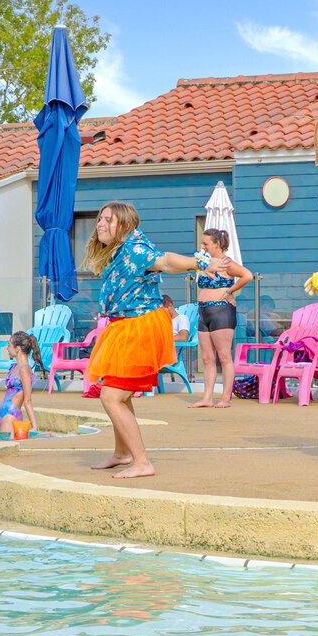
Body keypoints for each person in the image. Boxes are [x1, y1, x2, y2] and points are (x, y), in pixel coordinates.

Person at [83, 202, 229, 478]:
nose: (100, 224)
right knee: (121, 395)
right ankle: (122, 453)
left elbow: (165, 261)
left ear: (124, 224)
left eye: (107, 220)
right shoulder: (123, 250)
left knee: (112, 397)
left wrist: (200, 262)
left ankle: (142, 462)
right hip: (124, 325)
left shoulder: (136, 249)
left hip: (138, 326)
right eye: (99, 219)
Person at [190, 228, 254, 409]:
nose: (202, 247)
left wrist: (229, 291)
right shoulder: (205, 263)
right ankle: (207, 398)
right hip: (203, 311)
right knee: (207, 359)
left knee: (224, 357)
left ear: (217, 244)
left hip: (221, 311)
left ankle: (225, 398)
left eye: (206, 244)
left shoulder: (226, 263)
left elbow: (247, 275)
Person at [0, 331, 43, 435]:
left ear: (17, 348)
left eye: (9, 345)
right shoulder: (15, 367)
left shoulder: (24, 369)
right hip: (3, 413)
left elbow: (27, 400)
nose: (7, 348)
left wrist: (34, 426)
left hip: (11, 415)